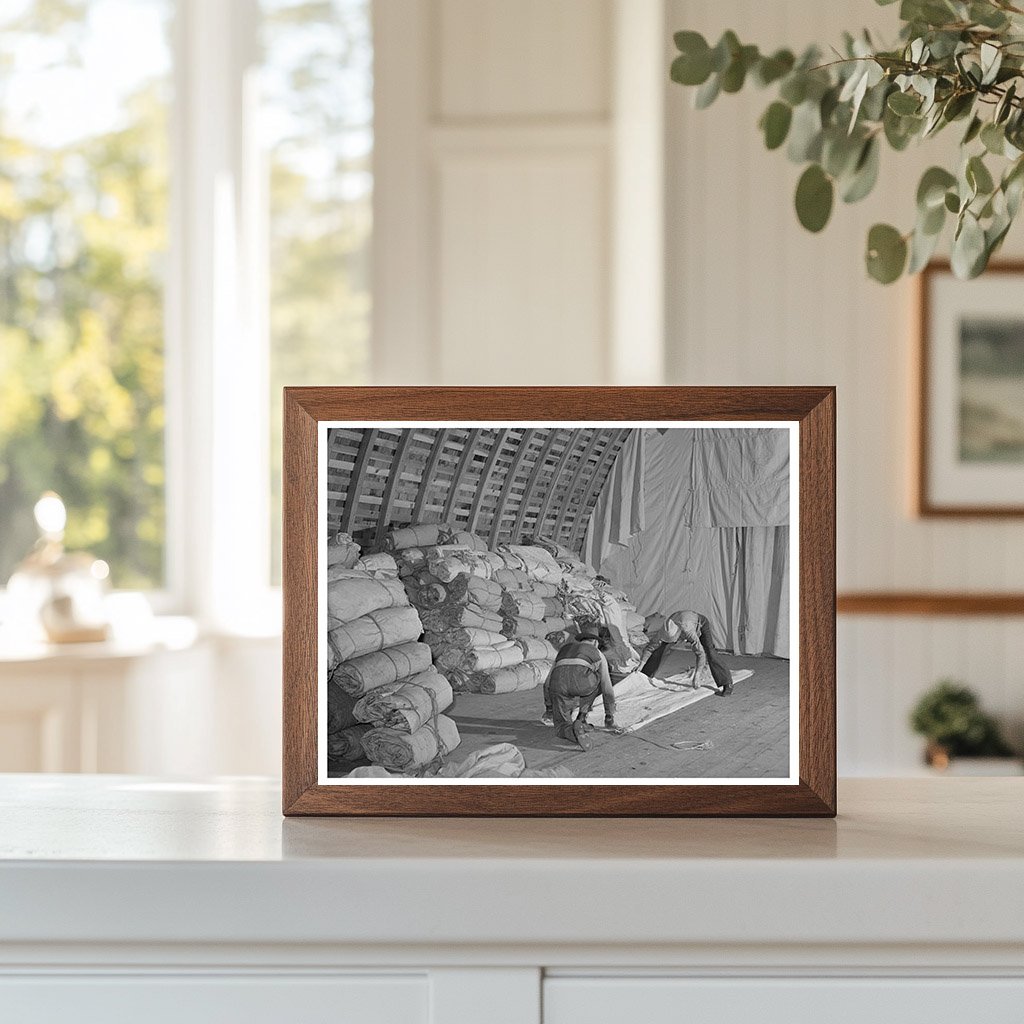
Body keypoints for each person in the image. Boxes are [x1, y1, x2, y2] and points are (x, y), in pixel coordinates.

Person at [542, 625, 618, 751]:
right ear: (595, 641)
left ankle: (572, 731)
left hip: (558, 685)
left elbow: (547, 682)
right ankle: (581, 719)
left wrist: (550, 707)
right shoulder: (597, 653)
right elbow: (607, 687)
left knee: (561, 727)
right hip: (582, 685)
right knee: (598, 679)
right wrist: (609, 715)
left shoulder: (564, 649)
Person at [640, 610, 733, 695]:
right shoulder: (663, 632)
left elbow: (700, 653)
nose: (671, 643)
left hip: (700, 623)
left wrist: (697, 676)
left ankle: (727, 684)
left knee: (710, 651)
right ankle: (644, 676)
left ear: (679, 634)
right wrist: (641, 664)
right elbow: (650, 648)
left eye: (672, 641)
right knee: (657, 649)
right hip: (681, 619)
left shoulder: (688, 630)